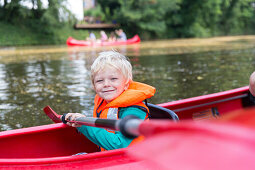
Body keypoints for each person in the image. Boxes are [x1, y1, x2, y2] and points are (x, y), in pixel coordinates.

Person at [65, 51, 156, 151]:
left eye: (113, 79)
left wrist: (83, 126)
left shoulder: (134, 112)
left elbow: (118, 145)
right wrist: (79, 120)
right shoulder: (103, 103)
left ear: (126, 84)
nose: (106, 84)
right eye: (100, 81)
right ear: (94, 86)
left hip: (132, 160)